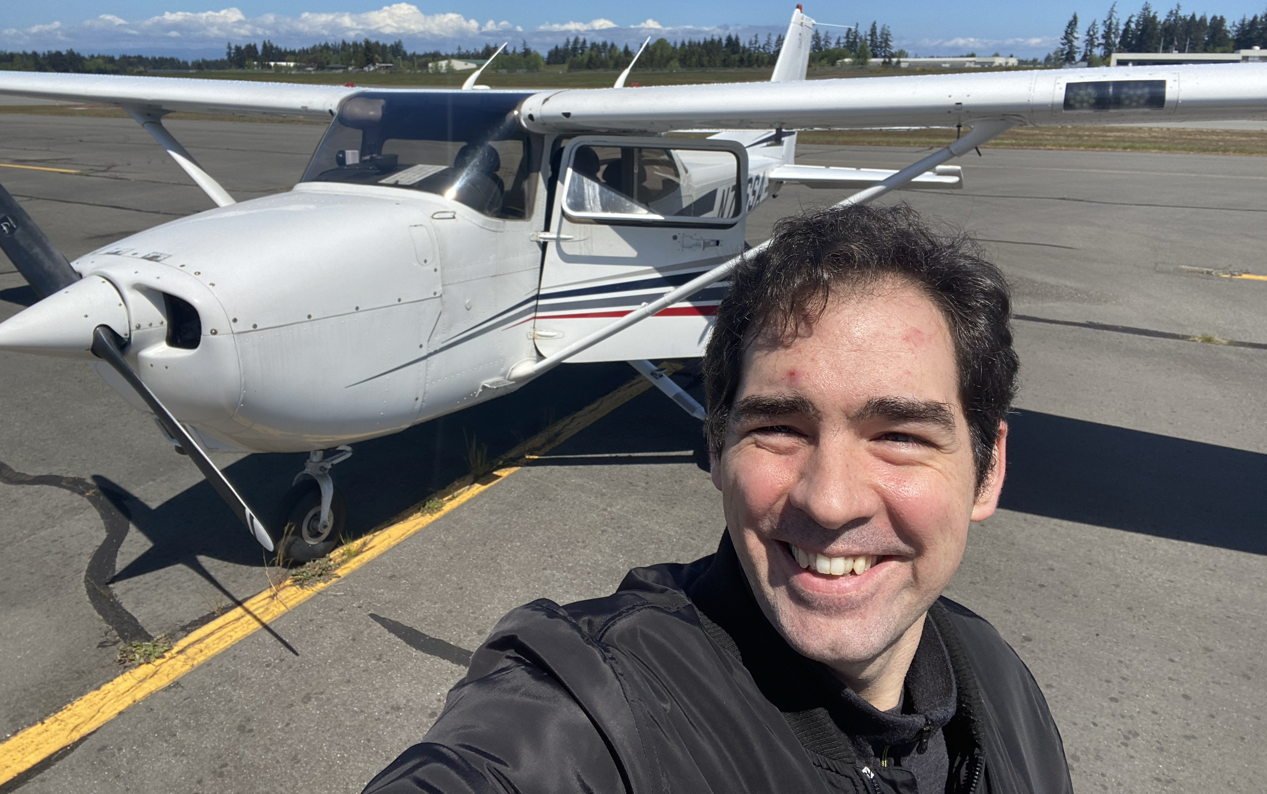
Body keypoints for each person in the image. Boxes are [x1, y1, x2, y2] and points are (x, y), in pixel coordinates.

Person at [365, 204, 1073, 794]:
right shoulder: (597, 704)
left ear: (988, 470)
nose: (829, 502)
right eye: (777, 428)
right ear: (717, 446)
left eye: (900, 436)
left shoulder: (1002, 685)